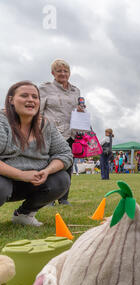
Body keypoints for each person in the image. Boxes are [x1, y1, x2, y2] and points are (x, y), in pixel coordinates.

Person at [0, 81, 72, 226]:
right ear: (11, 100)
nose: (31, 100)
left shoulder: (46, 125)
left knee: (61, 180)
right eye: (24, 95)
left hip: (34, 181)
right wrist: (21, 174)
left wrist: (47, 171)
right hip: (4, 179)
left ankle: (24, 215)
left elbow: (65, 153)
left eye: (35, 97)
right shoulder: (2, 122)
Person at [39, 59, 84, 206]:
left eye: (65, 71)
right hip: (52, 132)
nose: (63, 74)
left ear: (69, 73)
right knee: (51, 164)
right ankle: (48, 198)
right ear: (53, 73)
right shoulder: (45, 89)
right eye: (59, 71)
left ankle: (63, 198)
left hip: (71, 133)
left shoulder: (75, 90)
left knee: (69, 165)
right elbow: (38, 111)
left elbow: (78, 109)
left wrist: (81, 111)